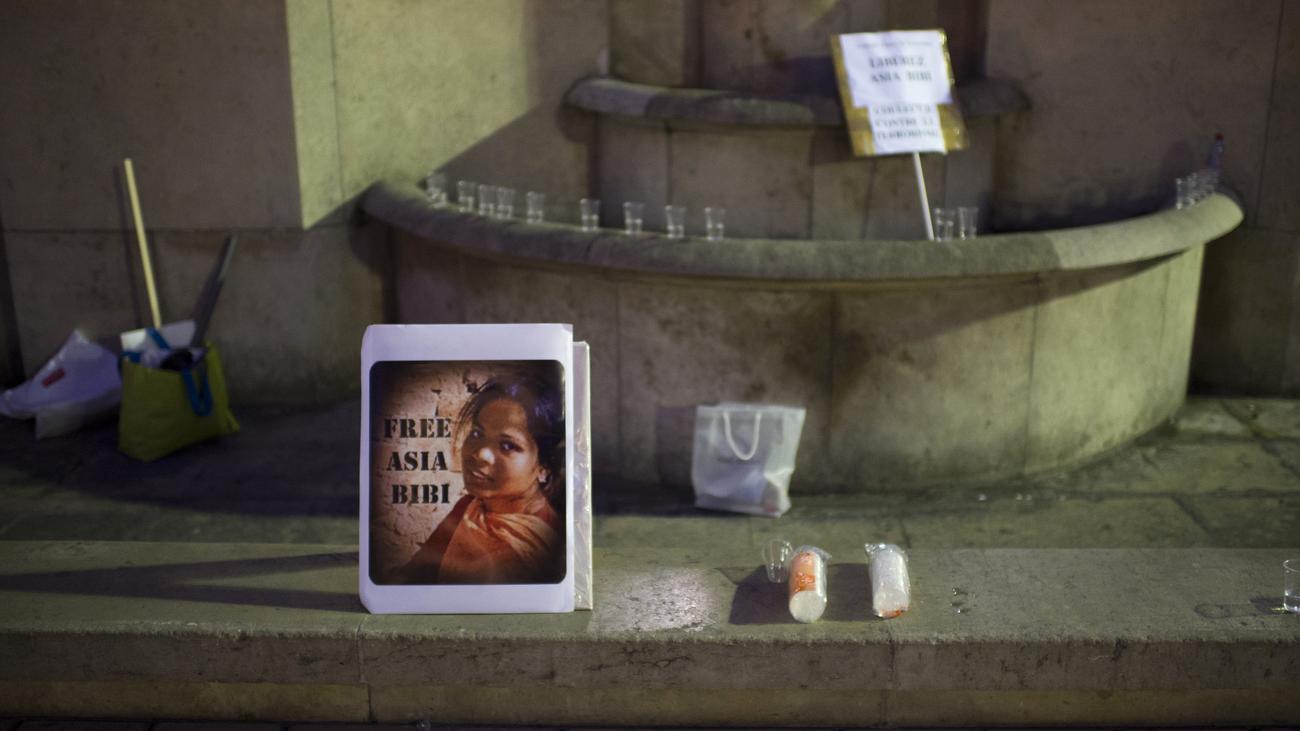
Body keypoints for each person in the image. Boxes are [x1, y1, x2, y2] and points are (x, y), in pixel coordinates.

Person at [395, 373, 565, 584]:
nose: (480, 454)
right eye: (477, 434)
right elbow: (412, 577)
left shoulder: (554, 542)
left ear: (544, 468)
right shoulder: (469, 509)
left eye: (508, 445)